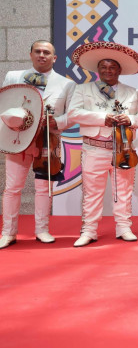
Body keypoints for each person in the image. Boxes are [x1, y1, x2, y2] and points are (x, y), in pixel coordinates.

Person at [68, 42, 138, 247]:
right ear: (98, 70)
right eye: (103, 67)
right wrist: (104, 117)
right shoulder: (83, 89)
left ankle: (123, 227)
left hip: (123, 148)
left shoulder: (132, 91)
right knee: (92, 191)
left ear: (119, 70)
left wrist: (129, 119)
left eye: (112, 67)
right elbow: (73, 114)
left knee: (123, 190)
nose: (108, 70)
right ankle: (89, 230)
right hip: (94, 147)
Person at [0, 41, 76, 249]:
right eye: (38, 51)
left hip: (47, 141)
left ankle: (42, 230)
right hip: (17, 139)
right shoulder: (13, 77)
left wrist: (58, 122)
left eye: (47, 52)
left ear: (55, 58)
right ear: (31, 54)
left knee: (44, 188)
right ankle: (8, 232)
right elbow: (3, 105)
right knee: (13, 188)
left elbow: (73, 114)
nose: (42, 55)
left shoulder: (66, 84)